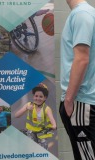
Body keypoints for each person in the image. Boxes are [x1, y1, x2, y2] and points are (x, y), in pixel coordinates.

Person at [59, 0, 95, 159]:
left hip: (81, 101)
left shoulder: (82, 14)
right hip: (83, 101)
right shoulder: (86, 13)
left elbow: (82, 59)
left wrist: (69, 99)